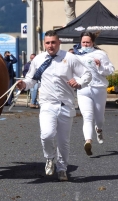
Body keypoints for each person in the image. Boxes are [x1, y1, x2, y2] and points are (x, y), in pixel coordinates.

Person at [16, 30, 92, 181]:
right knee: (47, 135)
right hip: (47, 104)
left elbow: (87, 74)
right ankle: (50, 158)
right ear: (44, 44)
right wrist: (23, 84)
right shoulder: (38, 60)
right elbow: (31, 79)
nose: (50, 46)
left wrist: (79, 82)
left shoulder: (70, 58)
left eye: (53, 42)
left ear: (59, 43)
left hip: (66, 105)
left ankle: (62, 168)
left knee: (64, 142)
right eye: (48, 43)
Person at [73, 31, 115, 156]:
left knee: (99, 118)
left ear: (92, 43)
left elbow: (110, 70)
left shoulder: (100, 54)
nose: (85, 45)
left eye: (88, 42)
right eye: (83, 42)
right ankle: (88, 141)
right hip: (83, 89)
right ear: (80, 42)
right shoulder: (76, 55)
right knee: (87, 117)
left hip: (98, 88)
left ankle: (99, 129)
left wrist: (100, 66)